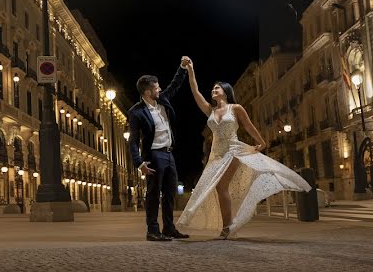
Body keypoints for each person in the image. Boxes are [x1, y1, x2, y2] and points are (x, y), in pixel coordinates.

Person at [177, 60, 312, 239]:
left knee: (221, 185)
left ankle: (227, 227)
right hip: (216, 154)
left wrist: (261, 142)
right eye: (213, 88)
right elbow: (195, 91)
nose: (213, 90)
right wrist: (191, 69)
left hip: (234, 150)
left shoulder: (236, 108)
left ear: (226, 91)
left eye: (217, 88)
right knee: (218, 188)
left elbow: (248, 126)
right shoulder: (210, 110)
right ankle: (228, 225)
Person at [127, 56, 189, 242]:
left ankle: (169, 228)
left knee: (170, 193)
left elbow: (175, 85)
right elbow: (133, 140)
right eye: (156, 87)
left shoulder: (162, 100)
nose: (160, 89)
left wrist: (182, 67)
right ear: (147, 92)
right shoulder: (136, 112)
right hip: (153, 155)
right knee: (154, 193)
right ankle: (152, 231)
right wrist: (139, 163)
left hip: (169, 154)